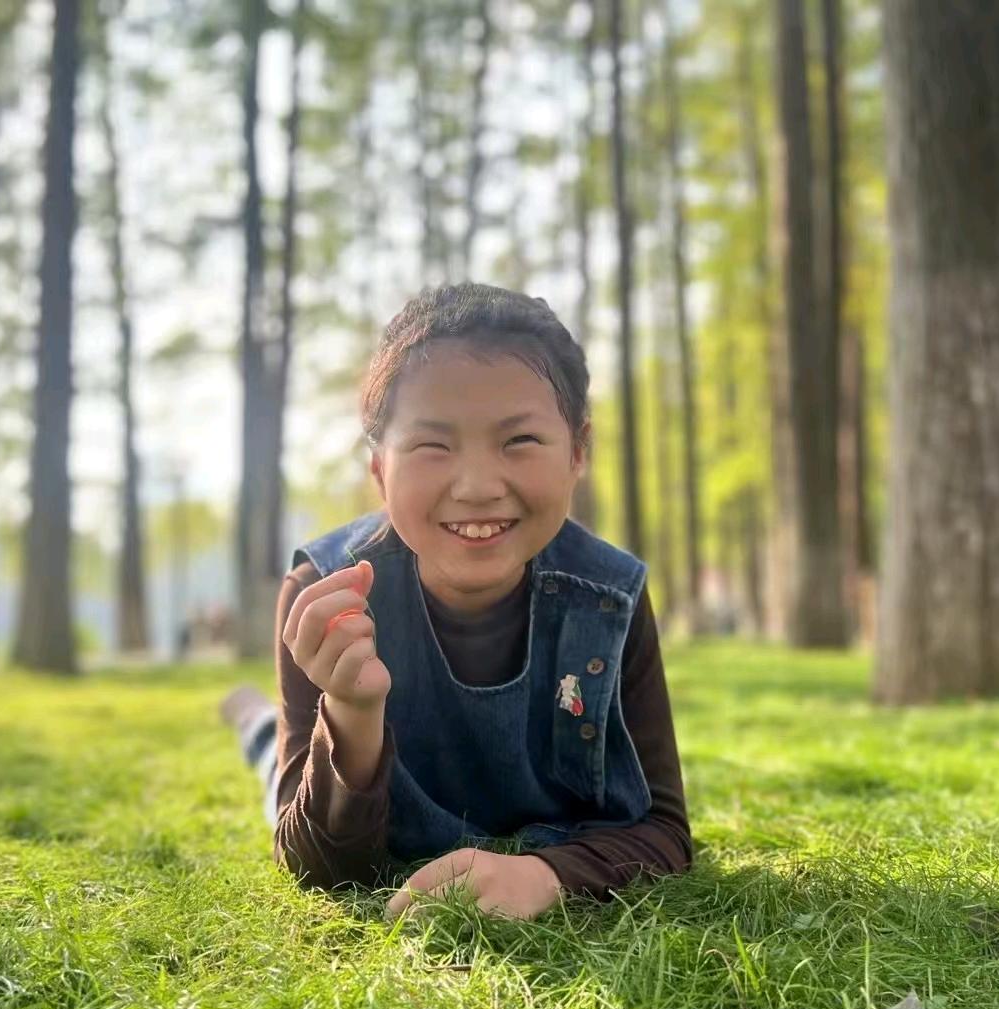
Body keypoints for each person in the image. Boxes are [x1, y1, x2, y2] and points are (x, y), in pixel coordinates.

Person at [222, 282, 691, 921]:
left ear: (577, 452)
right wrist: (352, 713)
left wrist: (545, 875)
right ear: (380, 470)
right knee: (274, 770)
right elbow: (317, 867)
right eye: (432, 446)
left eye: (519, 441)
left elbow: (665, 828)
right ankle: (258, 728)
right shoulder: (326, 596)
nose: (475, 487)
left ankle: (259, 728)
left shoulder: (610, 600)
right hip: (340, 771)